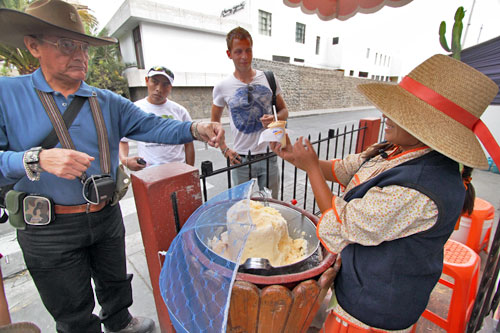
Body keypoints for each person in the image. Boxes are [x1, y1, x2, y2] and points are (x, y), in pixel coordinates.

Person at [0, 1, 224, 332]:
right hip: (48, 228)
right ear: (34, 46)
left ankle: (120, 321)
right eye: (65, 45)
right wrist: (34, 159)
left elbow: (153, 126)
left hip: (105, 215)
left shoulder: (106, 101)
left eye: (83, 46)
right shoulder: (8, 94)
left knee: (116, 285)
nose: (79, 55)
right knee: (73, 312)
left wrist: (195, 128)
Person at [271, 54, 499, 330]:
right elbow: (340, 169)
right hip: (360, 283)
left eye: (399, 112)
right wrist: (295, 156)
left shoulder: (422, 189)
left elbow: (344, 223)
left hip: (376, 309)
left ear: (427, 127)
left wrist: (311, 170)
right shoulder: (396, 151)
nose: (386, 116)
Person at [211, 26, 289, 199]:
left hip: (269, 154)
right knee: (241, 208)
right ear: (229, 54)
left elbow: (284, 111)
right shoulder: (222, 87)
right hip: (240, 158)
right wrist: (225, 150)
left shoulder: (269, 78)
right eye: (238, 51)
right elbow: (214, 124)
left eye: (248, 50)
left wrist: (274, 118)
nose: (244, 56)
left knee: (270, 207)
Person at [119, 66, 195, 171]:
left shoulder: (180, 111)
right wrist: (125, 160)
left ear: (170, 87)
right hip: (149, 173)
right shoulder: (134, 109)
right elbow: (123, 140)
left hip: (177, 171)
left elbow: (189, 143)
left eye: (165, 84)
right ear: (146, 81)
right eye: (154, 82)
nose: (159, 89)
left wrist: (190, 170)